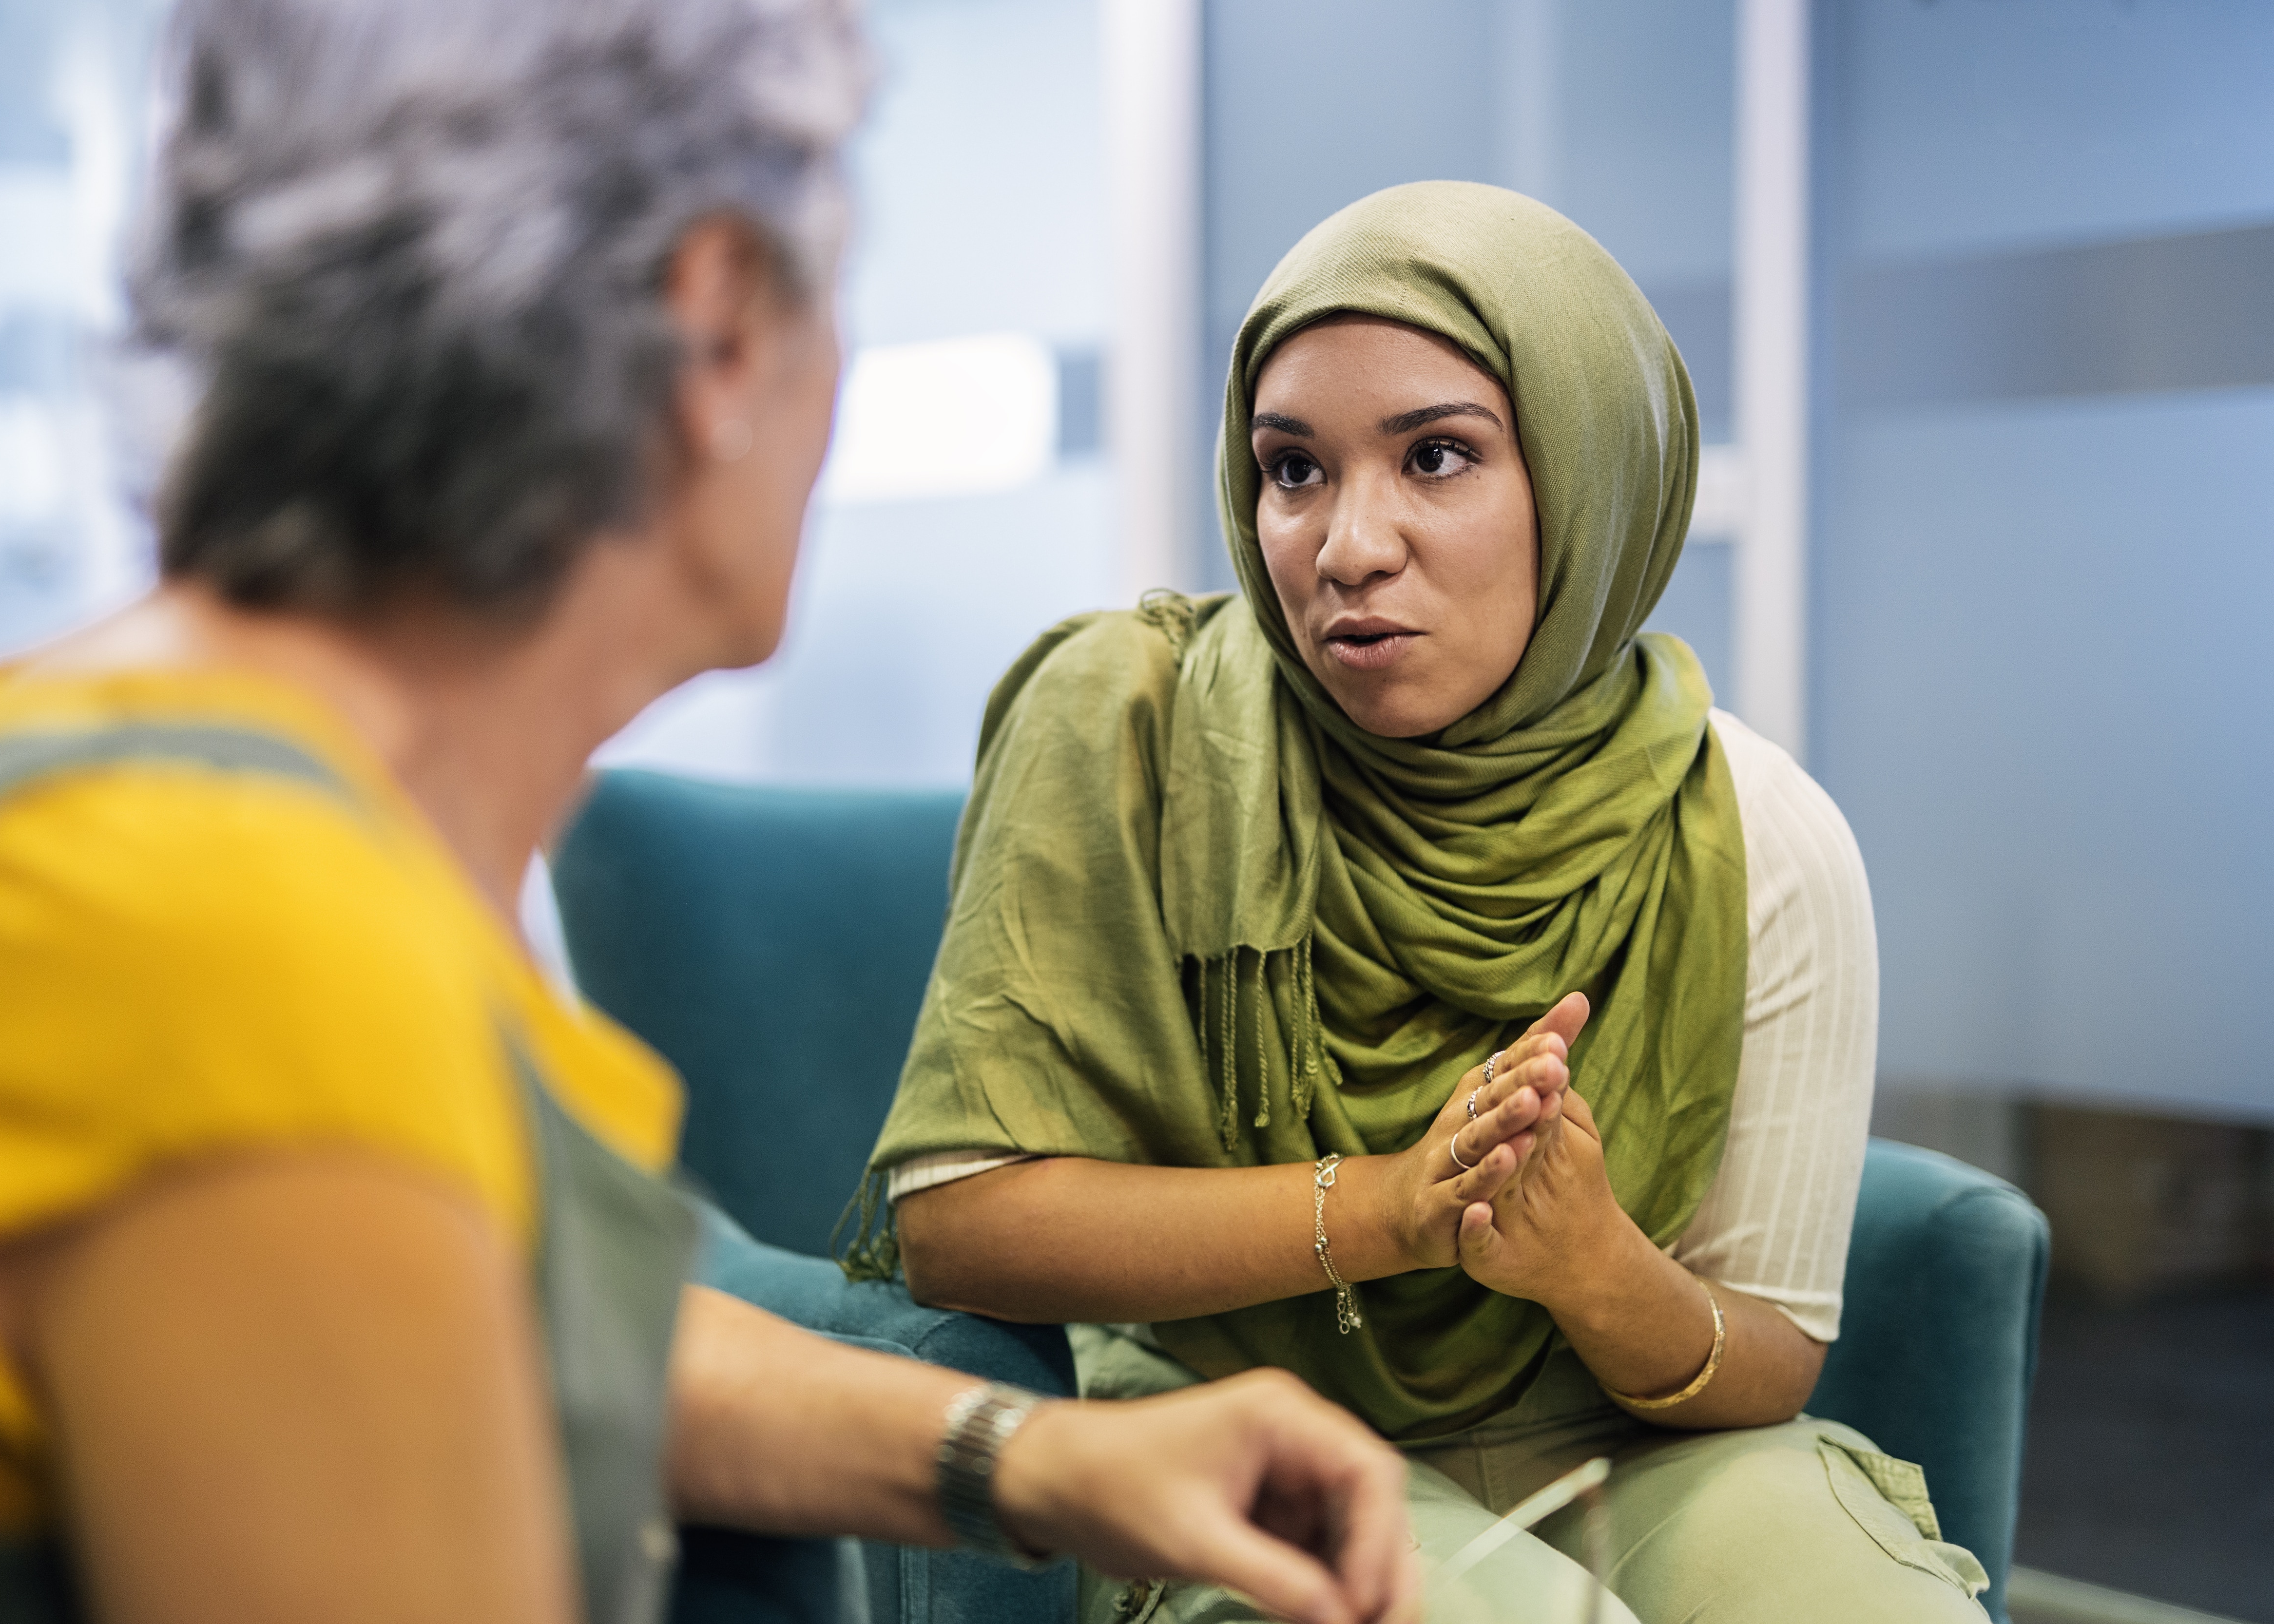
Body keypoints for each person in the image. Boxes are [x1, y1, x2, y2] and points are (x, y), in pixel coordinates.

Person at [0, 4, 1425, 1622]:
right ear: (722, 325)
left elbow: (521, 1318)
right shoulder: (242, 941)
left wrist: (1027, 1458)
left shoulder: (147, 779)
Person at [850, 182, 1995, 1623]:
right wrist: (1391, 1207)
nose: (1345, 548)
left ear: (1591, 478)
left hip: (1614, 1441)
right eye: (1293, 470)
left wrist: (1591, 1262)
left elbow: (1763, 1358)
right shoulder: (1125, 728)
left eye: (1437, 457)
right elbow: (964, 1223)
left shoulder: (1754, 834)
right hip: (1216, 1409)